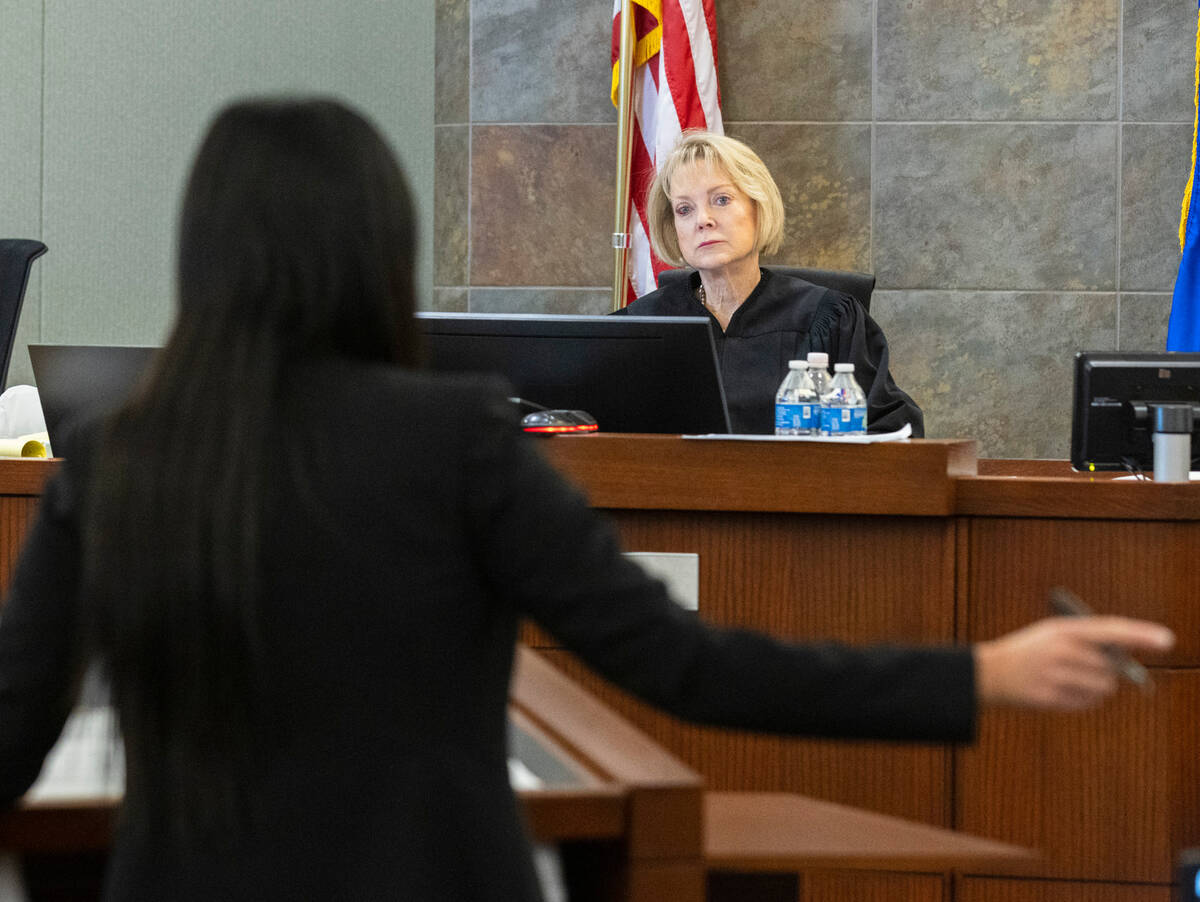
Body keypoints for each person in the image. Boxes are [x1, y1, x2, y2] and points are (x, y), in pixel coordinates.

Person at [0, 98, 1174, 902]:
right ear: (379, 244)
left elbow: (10, 728)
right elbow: (689, 666)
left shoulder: (114, 457)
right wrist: (981, 672)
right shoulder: (455, 439)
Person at [617, 130, 921, 436]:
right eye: (684, 209)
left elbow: (891, 430)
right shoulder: (639, 327)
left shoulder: (830, 319)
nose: (703, 220)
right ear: (673, 228)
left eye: (721, 200)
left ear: (758, 210)